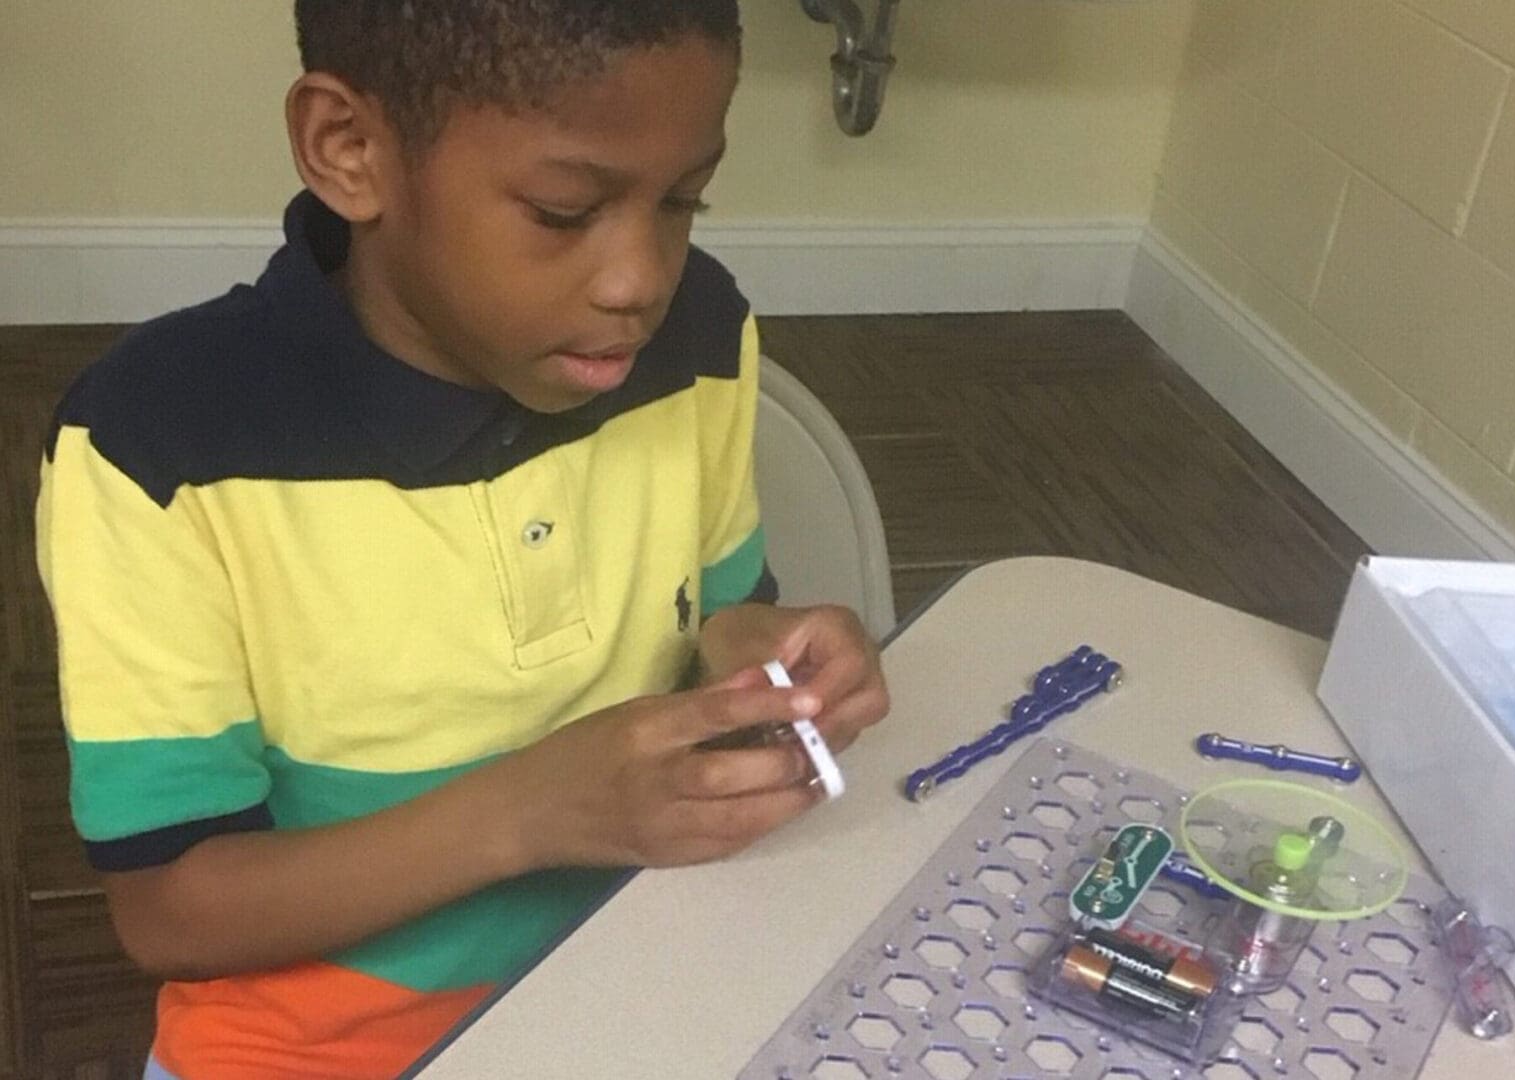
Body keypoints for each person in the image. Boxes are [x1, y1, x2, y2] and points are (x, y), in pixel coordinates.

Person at [34, 3, 889, 1077]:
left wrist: (764, 650)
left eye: (682, 201)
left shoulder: (700, 338)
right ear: (350, 150)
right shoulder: (159, 446)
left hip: (651, 964)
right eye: (563, 211)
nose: (640, 279)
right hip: (318, 1053)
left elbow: (715, 611)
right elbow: (169, 911)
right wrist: (529, 813)